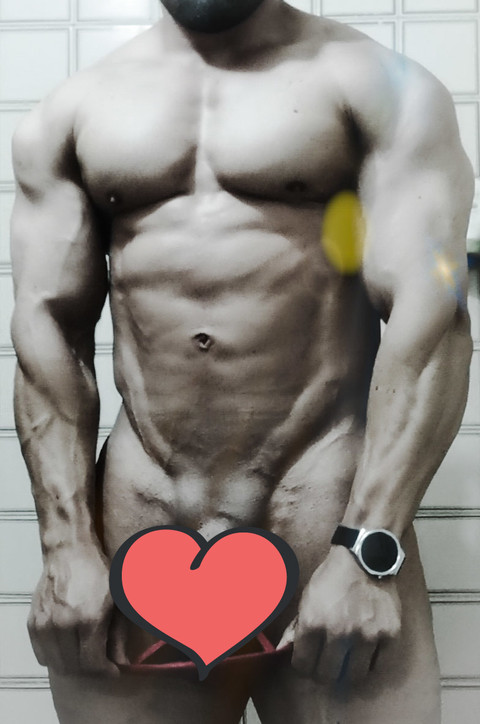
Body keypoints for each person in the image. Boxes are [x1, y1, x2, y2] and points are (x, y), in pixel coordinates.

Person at [10, 1, 473, 722]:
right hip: (142, 525)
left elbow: (432, 317)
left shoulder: (377, 86)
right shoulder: (72, 115)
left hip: (325, 514)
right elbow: (47, 332)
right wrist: (66, 545)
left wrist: (367, 551)